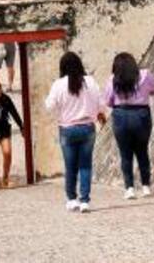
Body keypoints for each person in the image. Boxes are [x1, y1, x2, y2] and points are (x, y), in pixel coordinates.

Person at [44, 51, 106, 213]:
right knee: (85, 165)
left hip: (67, 129)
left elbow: (49, 106)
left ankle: (72, 199)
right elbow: (101, 103)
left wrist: (61, 109)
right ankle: (85, 200)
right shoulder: (90, 82)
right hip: (87, 127)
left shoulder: (58, 84)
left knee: (70, 166)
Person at [106, 52, 154, 199]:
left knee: (125, 154)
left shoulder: (113, 79)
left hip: (121, 115)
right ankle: (146, 187)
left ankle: (129, 189)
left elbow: (108, 101)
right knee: (142, 152)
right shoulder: (145, 74)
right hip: (141, 115)